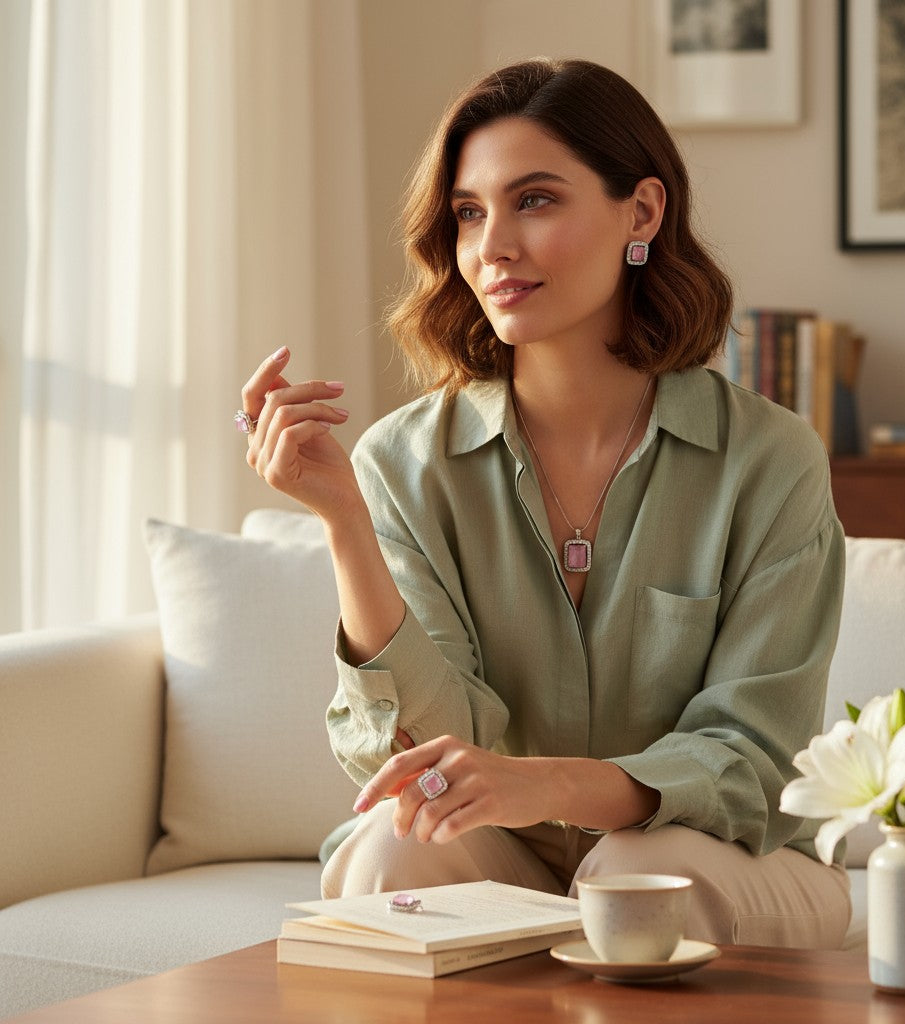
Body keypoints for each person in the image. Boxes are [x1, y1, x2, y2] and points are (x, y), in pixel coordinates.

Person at [238, 58, 851, 949]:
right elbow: (418, 756)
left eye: (534, 200)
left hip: (722, 854)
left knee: (634, 876)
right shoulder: (405, 463)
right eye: (468, 212)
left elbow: (750, 762)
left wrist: (552, 785)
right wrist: (344, 522)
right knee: (396, 849)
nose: (493, 246)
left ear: (642, 212)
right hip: (504, 854)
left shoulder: (769, 460)